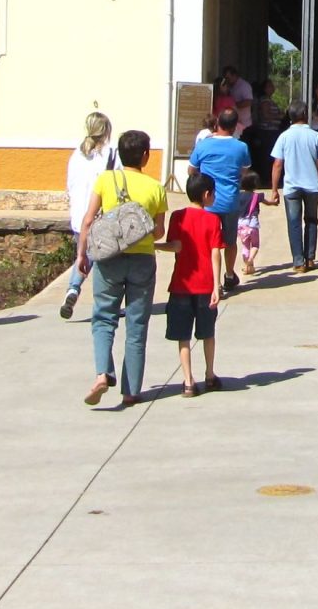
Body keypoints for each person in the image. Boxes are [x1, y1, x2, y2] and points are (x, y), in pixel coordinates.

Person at [77, 130, 169, 409]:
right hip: (142, 260)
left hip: (108, 259)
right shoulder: (156, 188)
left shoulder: (106, 179)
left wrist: (82, 254)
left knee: (104, 318)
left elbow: (89, 220)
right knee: (137, 324)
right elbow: (159, 232)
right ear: (145, 156)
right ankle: (131, 390)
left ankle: (103, 373)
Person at [163, 170, 228, 395]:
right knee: (207, 333)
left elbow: (175, 246)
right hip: (204, 286)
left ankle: (188, 380)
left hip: (181, 284)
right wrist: (216, 285)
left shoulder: (177, 217)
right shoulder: (213, 219)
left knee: (183, 335)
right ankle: (210, 374)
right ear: (207, 194)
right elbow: (216, 254)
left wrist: (153, 246)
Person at [188, 107, 252, 291]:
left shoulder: (204, 145)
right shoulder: (241, 147)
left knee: (209, 243)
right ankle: (229, 275)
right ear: (234, 127)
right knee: (230, 241)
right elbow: (244, 170)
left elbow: (191, 170)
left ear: (217, 124)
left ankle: (211, 279)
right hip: (231, 201)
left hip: (208, 202)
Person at [61, 112, 114, 329]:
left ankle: (73, 288)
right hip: (99, 215)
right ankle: (102, 300)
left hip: (78, 218)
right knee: (105, 262)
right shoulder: (109, 155)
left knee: (84, 255)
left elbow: (70, 186)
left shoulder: (76, 156)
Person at [268, 103, 318, 270]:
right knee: (311, 221)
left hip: (291, 188)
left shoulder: (284, 137)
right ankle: (310, 258)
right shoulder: (316, 136)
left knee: (294, 223)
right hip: (312, 187)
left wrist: (274, 189)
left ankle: (298, 262)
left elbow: (277, 164)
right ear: (305, 114)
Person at [235, 167, 263, 277]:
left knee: (245, 247)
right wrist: (273, 202)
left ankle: (247, 266)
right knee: (255, 245)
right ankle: (251, 259)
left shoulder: (238, 196)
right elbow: (267, 202)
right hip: (253, 225)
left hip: (241, 226)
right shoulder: (257, 196)